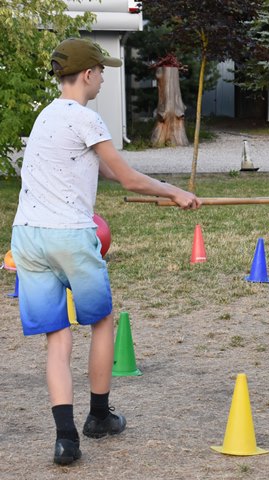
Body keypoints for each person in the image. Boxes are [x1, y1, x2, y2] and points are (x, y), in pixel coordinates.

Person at [11, 38, 202, 466]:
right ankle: (98, 417)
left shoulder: (46, 116)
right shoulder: (86, 118)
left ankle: (66, 439)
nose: (102, 78)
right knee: (101, 320)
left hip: (27, 237)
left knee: (57, 337)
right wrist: (175, 192)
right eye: (100, 71)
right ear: (87, 74)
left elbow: (100, 170)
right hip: (69, 236)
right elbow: (127, 177)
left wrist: (164, 190)